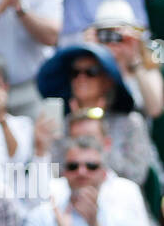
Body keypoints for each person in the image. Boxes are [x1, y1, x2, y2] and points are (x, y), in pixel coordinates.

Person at [18, 135, 152, 226]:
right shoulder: (42, 215)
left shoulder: (122, 215)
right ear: (64, 172)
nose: (82, 172)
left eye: (91, 166)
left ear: (104, 173)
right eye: (73, 166)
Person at [36, 39, 157, 188]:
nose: (81, 78)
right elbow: (51, 177)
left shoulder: (130, 122)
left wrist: (97, 141)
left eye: (90, 72)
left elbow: (136, 176)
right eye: (75, 73)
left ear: (108, 80)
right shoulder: (61, 124)